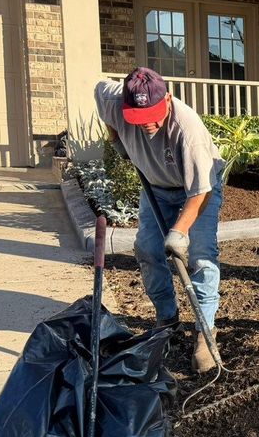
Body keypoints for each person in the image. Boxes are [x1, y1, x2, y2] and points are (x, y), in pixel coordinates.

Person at [95, 67, 226, 372]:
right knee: (147, 249)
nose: (149, 124)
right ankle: (167, 319)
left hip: (197, 189)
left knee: (202, 256)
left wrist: (180, 231)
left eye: (154, 114)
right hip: (155, 187)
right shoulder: (113, 100)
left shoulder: (187, 129)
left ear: (167, 99)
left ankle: (206, 333)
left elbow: (200, 193)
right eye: (140, 118)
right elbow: (98, 92)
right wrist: (116, 139)